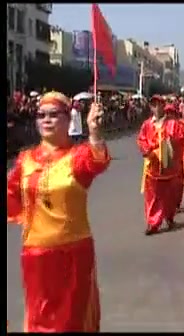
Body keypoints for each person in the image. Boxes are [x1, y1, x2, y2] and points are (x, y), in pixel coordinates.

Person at [7, 92, 110, 332]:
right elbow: (10, 194)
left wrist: (94, 133)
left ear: (68, 119)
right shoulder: (25, 160)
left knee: (71, 320)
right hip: (35, 255)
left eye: (54, 115)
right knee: (39, 319)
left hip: (73, 254)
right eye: (41, 115)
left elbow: (97, 161)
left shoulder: (78, 156)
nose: (47, 120)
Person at [137, 95, 184, 235]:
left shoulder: (173, 123)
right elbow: (141, 140)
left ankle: (169, 217)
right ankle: (153, 223)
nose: (156, 107)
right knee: (152, 196)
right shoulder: (147, 124)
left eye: (159, 104)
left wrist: (173, 143)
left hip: (170, 164)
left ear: (163, 105)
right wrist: (147, 150)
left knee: (170, 196)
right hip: (153, 165)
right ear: (151, 107)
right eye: (153, 104)